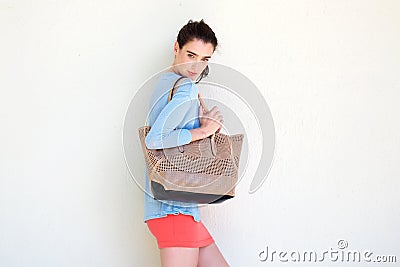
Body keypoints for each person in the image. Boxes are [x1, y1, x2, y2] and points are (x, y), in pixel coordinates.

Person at [143, 19, 230, 267]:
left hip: (179, 208)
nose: (196, 66)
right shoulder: (185, 88)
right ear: (176, 47)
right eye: (191, 54)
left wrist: (196, 123)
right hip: (173, 210)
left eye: (204, 59)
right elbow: (155, 139)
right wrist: (204, 130)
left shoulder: (165, 82)